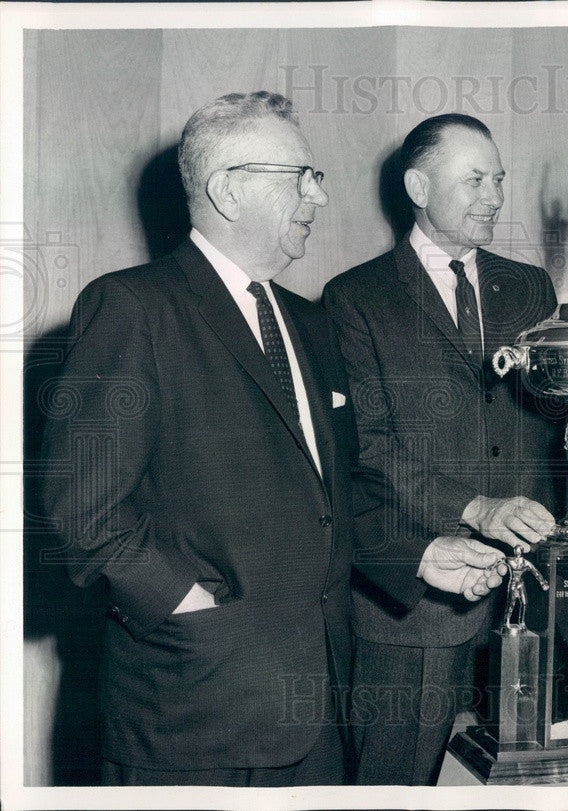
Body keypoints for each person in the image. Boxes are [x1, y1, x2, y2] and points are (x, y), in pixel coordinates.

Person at [40, 92, 505, 787]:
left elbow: (328, 497)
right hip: (193, 718)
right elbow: (85, 517)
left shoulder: (308, 320)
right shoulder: (132, 308)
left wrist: (418, 556)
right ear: (229, 189)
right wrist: (190, 609)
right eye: (302, 176)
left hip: (319, 711)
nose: (318, 196)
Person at [323, 113, 564, 785]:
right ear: (418, 185)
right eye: (475, 179)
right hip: (414, 604)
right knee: (399, 784)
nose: (494, 195)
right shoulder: (354, 298)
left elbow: (554, 427)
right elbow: (369, 447)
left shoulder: (530, 288)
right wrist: (474, 507)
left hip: (524, 598)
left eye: (499, 179)